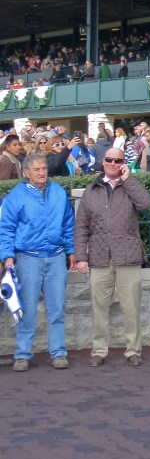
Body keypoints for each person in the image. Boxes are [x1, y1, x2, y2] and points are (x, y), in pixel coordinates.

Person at [75, 148, 150, 367]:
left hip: (127, 256)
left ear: (123, 164)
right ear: (103, 161)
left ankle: (133, 350)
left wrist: (129, 180)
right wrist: (81, 257)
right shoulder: (91, 191)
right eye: (109, 159)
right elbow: (81, 226)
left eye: (117, 160)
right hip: (99, 257)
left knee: (131, 307)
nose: (112, 163)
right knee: (99, 308)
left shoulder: (129, 186)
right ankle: (99, 351)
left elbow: (146, 204)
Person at [0, 154, 75, 372]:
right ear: (26, 173)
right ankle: (23, 354)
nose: (42, 172)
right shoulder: (15, 196)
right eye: (36, 169)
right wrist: (8, 257)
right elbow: (6, 229)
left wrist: (71, 251)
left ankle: (59, 353)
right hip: (27, 259)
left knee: (57, 308)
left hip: (56, 257)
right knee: (28, 310)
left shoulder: (58, 192)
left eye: (44, 168)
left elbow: (68, 224)